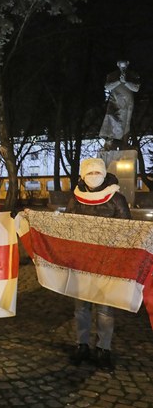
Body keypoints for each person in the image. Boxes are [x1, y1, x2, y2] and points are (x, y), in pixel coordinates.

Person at [65, 158, 130, 372]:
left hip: (107, 263)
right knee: (81, 308)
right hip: (82, 262)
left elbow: (126, 231)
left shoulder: (117, 199)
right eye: (89, 173)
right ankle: (82, 345)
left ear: (103, 174)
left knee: (105, 309)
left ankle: (104, 349)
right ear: (83, 175)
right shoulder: (75, 199)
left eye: (97, 172)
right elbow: (66, 228)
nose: (93, 176)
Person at [99, 60, 140, 150]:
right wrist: (118, 81)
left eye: (124, 66)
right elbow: (107, 87)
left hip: (127, 102)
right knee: (111, 118)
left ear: (127, 64)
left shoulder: (133, 74)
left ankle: (124, 144)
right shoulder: (112, 75)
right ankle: (109, 141)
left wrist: (125, 82)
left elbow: (136, 88)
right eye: (121, 66)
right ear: (118, 65)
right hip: (115, 100)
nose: (123, 68)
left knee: (126, 123)